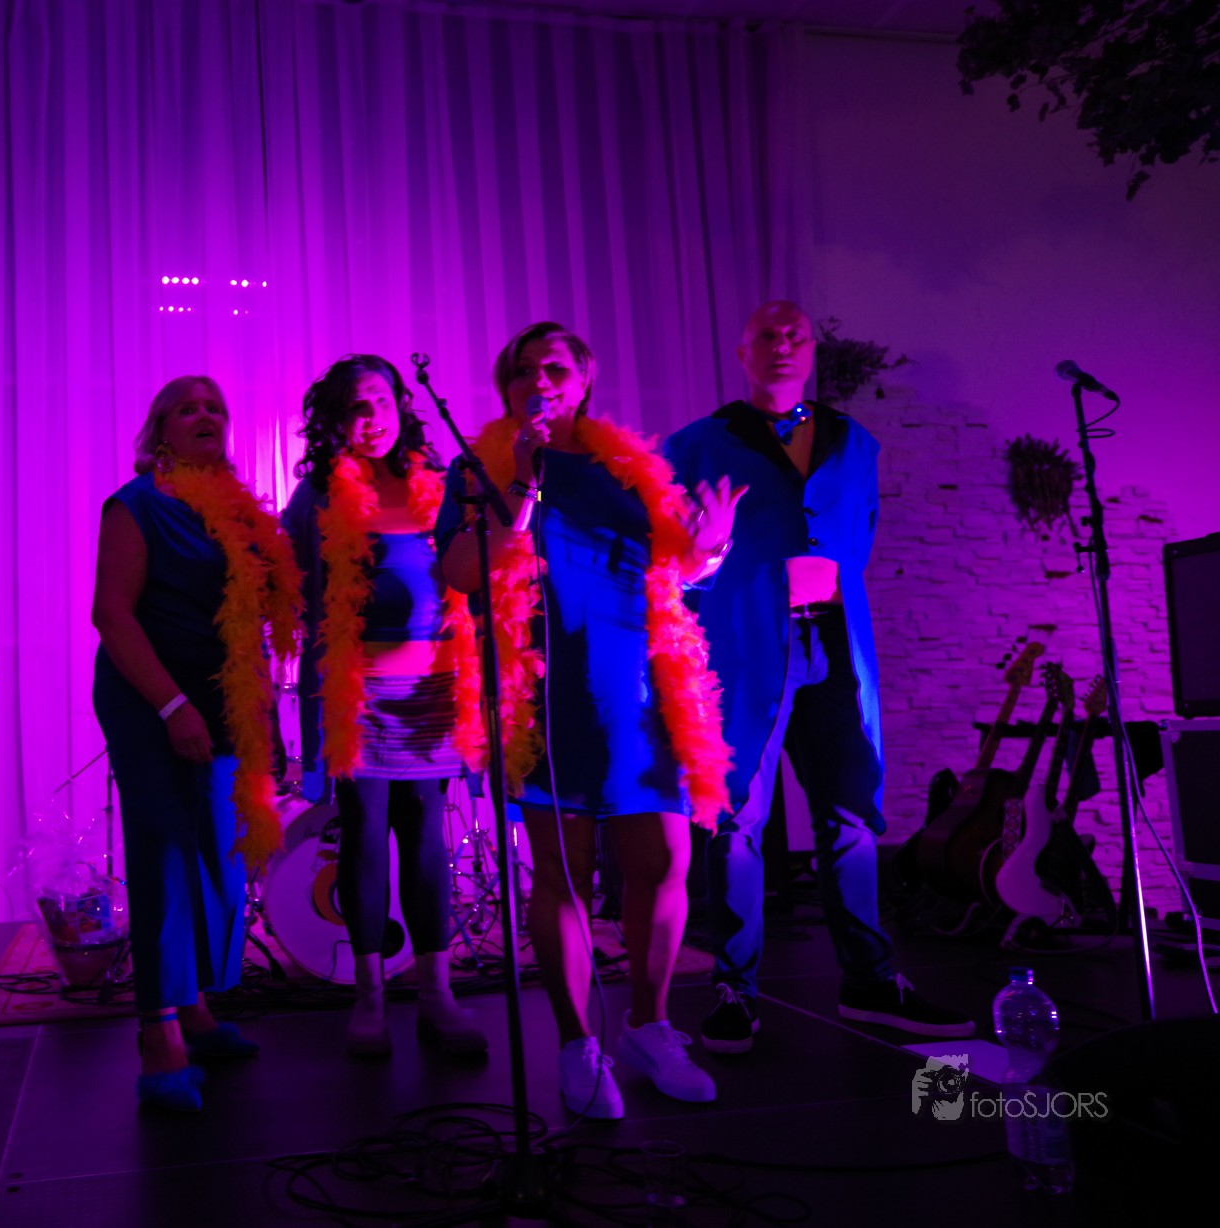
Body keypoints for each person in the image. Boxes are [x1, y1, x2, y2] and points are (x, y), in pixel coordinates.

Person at [438, 322, 741, 1118]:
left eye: (555, 368)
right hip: (551, 687)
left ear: (583, 379)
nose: (540, 381)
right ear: (507, 388)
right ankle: (578, 1043)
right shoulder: (480, 467)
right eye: (524, 371)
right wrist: (522, 482)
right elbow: (462, 571)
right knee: (564, 874)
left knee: (663, 860)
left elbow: (674, 571)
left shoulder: (631, 467)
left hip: (641, 685)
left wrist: (710, 549)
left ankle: (649, 1023)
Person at [664, 299, 973, 1054]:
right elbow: (673, 560)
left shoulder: (854, 441)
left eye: (795, 336)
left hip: (833, 645)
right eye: (766, 336)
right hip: (745, 647)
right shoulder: (696, 444)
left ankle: (870, 981)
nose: (782, 345)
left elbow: (859, 536)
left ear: (811, 351)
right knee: (738, 817)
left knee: (849, 813)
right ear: (743, 352)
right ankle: (735, 990)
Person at [91, 375, 302, 1112]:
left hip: (225, 707)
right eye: (188, 408)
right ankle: (158, 1033)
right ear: (160, 432)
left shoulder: (240, 514)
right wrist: (173, 705)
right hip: (152, 700)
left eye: (216, 408)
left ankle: (197, 1007)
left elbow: (254, 632)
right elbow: (111, 615)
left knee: (217, 855)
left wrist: (264, 723)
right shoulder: (136, 504)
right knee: (166, 858)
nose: (206, 415)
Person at [282, 355, 488, 1059]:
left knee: (426, 834)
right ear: (335, 421)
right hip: (358, 692)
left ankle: (436, 992)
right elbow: (287, 583)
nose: (369, 417)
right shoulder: (318, 494)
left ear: (402, 405)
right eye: (354, 407)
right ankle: (369, 994)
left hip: (431, 689)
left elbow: (474, 569)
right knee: (365, 831)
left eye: (379, 401)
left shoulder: (442, 482)